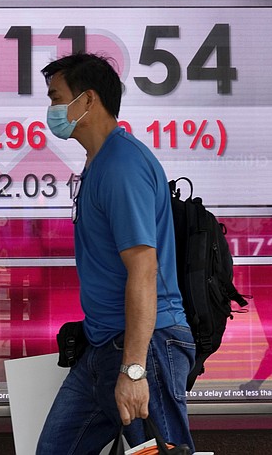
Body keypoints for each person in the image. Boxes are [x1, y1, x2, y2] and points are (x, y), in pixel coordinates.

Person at [36, 53, 194, 454]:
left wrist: (135, 370)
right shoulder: (98, 164)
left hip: (146, 349)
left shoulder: (123, 166)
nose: (51, 109)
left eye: (57, 97)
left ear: (87, 101)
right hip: (104, 346)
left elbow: (143, 268)